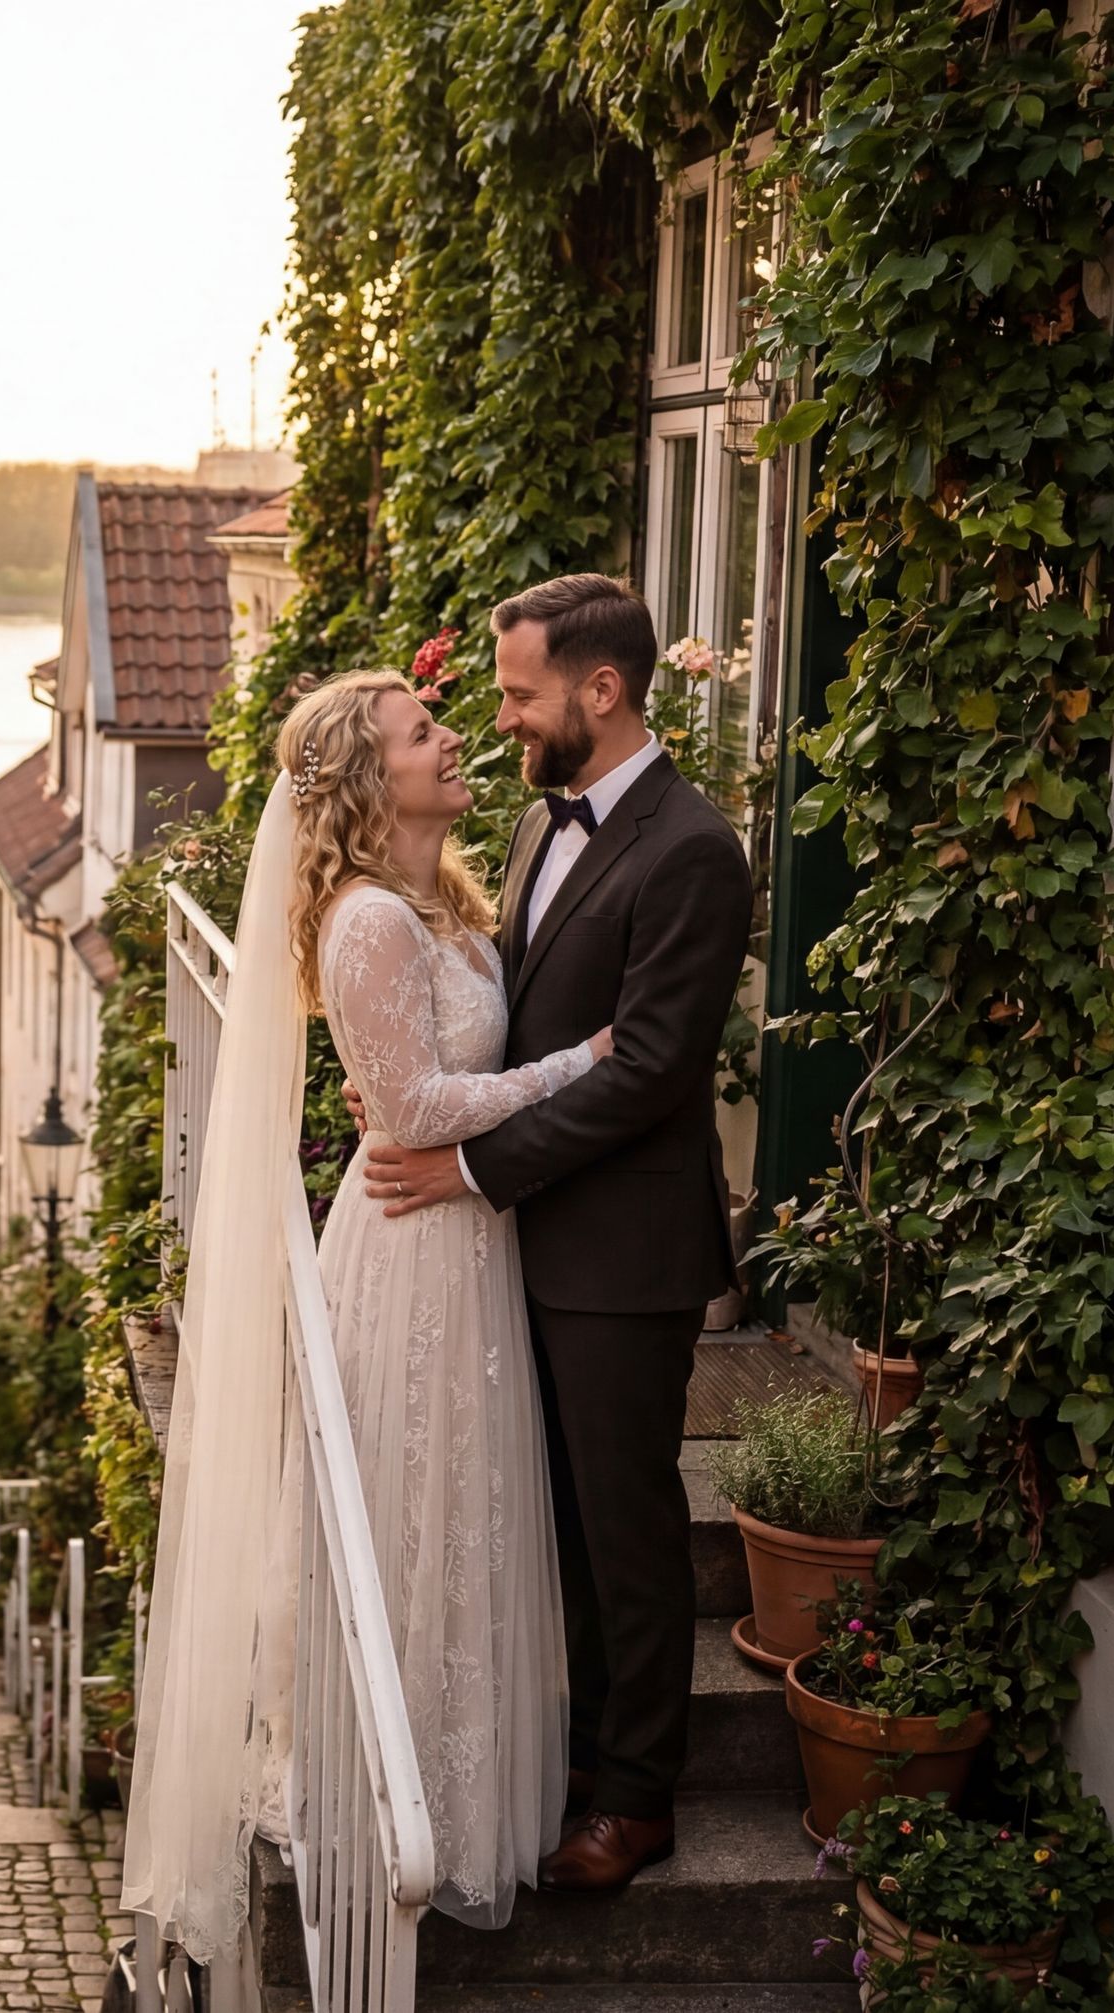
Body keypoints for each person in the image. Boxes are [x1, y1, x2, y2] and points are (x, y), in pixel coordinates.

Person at [121, 664, 610, 1983]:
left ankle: (456, 1788)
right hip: (412, 1246)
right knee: (401, 1503)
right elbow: (415, 1107)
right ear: (365, 780)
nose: (454, 741)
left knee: (464, 1503)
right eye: (423, 733)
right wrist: (585, 1066)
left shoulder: (439, 901)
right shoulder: (361, 926)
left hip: (472, 1239)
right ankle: (377, 1791)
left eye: (442, 722)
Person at [362, 573, 754, 1895]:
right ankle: (583, 1752)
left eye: (523, 693)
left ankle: (639, 1796)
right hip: (529, 1235)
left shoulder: (694, 848)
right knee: (558, 1526)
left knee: (627, 1529)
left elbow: (645, 1068)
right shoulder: (542, 825)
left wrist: (470, 1162)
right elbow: (522, 1022)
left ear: (602, 689)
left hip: (624, 1256)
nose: (504, 715)